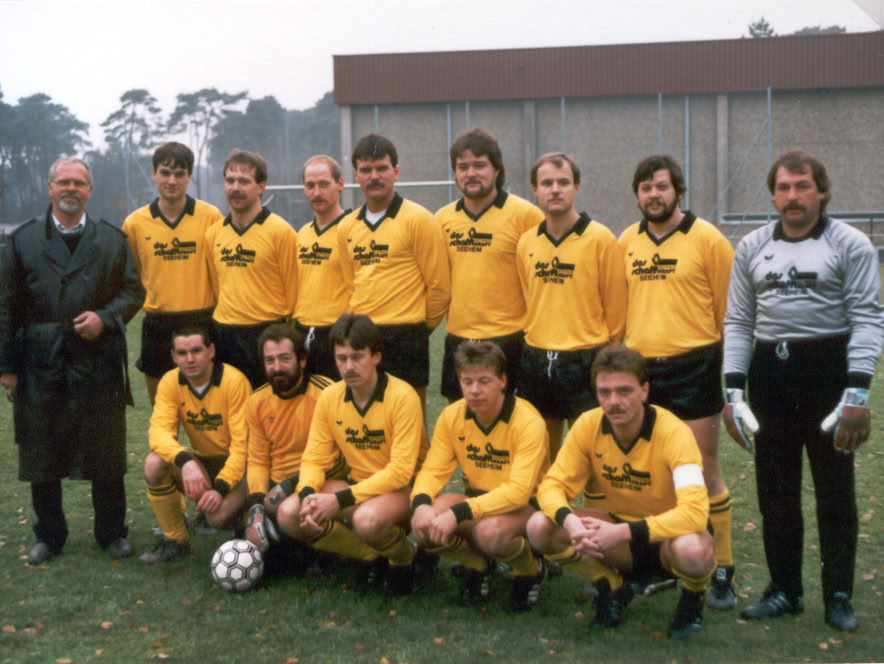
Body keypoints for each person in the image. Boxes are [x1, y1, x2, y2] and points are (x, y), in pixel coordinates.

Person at [723, 150, 883, 632]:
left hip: (828, 372)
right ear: (773, 195)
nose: (792, 196)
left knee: (835, 492)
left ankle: (838, 595)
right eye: (784, 187)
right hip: (771, 374)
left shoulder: (850, 243)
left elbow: (867, 318)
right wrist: (734, 393)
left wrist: (857, 393)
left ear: (822, 191)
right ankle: (784, 590)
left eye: (802, 186)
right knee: (776, 492)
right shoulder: (752, 246)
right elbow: (739, 321)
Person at [0, 157, 145, 564]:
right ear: (50, 187)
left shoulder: (112, 239)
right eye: (63, 181)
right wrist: (7, 366)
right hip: (40, 359)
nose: (71, 189)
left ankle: (111, 533)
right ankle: (49, 535)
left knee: (106, 448)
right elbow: (6, 305)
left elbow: (134, 292)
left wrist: (106, 318)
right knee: (41, 449)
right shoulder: (22, 240)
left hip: (97, 360)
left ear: (89, 190)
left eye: (79, 183)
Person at [527, 345, 714, 640]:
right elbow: (551, 486)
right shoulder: (588, 425)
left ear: (644, 390)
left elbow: (695, 514)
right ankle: (611, 586)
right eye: (605, 392)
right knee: (539, 525)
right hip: (620, 538)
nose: (614, 401)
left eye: (624, 391)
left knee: (692, 550)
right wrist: (570, 521)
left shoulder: (674, 432)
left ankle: (693, 597)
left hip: (670, 539)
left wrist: (623, 532)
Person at [618, 155, 736, 609]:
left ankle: (722, 566)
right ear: (637, 195)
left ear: (679, 192)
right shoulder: (626, 241)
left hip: (694, 365)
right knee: (652, 472)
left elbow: (727, 312)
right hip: (643, 370)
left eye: (661, 187)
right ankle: (658, 563)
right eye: (645, 188)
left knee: (702, 470)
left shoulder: (708, 239)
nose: (654, 195)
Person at [293, 314, 426, 596]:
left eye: (357, 357)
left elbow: (401, 472)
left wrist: (339, 500)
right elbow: (314, 458)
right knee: (290, 511)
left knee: (367, 519)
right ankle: (370, 556)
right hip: (359, 489)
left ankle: (405, 559)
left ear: (376, 356)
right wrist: (307, 494)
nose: (349, 367)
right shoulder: (330, 397)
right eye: (341, 358)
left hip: (406, 492)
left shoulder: (403, 397)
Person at [411, 341, 549, 611]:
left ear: (502, 381)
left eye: (484, 381)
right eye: (467, 381)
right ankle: (477, 565)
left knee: (489, 532)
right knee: (425, 521)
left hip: (525, 508)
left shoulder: (528, 421)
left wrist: (459, 513)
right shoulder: (452, 416)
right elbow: (432, 470)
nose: (474, 390)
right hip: (477, 500)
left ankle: (530, 569)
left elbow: (519, 491)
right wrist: (420, 503)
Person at [516, 152, 627, 459]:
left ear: (576, 187)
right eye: (547, 183)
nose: (555, 189)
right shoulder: (526, 242)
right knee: (540, 456)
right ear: (535, 190)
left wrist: (602, 356)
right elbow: (529, 297)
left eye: (563, 182)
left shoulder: (601, 239)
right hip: (537, 358)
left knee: (591, 456)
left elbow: (616, 310)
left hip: (586, 358)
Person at [337, 134, 450, 412]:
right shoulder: (347, 226)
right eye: (366, 169)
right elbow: (351, 284)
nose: (374, 176)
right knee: (367, 418)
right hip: (363, 337)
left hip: (407, 336)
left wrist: (418, 328)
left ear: (396, 172)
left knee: (410, 418)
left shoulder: (419, 219)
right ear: (356, 175)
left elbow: (439, 287)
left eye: (381, 168)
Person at [436, 128, 543, 403]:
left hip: (509, 339)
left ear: (496, 169)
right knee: (462, 421)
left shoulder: (526, 216)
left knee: (512, 421)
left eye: (480, 165)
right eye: (463, 167)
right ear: (454, 173)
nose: (471, 173)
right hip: (459, 338)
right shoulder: (442, 220)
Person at [138, 326, 251, 564]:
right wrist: (186, 461)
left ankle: (248, 520)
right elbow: (158, 432)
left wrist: (220, 488)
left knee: (217, 518)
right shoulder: (170, 381)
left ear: (211, 351)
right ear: (173, 356)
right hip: (203, 463)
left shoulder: (234, 381)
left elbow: (243, 447)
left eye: (196, 351)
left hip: (243, 469)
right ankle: (175, 540)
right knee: (154, 463)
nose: (189, 359)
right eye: (182, 353)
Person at [122, 142, 223, 405]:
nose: (172, 181)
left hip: (202, 320)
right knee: (162, 409)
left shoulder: (211, 216)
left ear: (189, 176)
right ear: (154, 173)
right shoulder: (135, 223)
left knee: (207, 408)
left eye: (179, 174)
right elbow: (130, 278)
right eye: (165, 173)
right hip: (158, 324)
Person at [243, 323, 343, 556]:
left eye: (285, 358)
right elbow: (257, 460)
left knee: (289, 520)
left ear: (302, 360)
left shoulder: (327, 392)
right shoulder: (256, 401)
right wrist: (256, 506)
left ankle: (328, 549)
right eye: (270, 360)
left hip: (321, 482)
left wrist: (290, 485)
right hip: (275, 490)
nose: (277, 367)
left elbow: (343, 458)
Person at [206, 149, 299, 388]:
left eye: (244, 181)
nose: (236, 187)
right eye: (230, 180)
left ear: (261, 186)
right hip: (225, 334)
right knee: (231, 405)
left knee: (268, 405)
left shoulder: (282, 232)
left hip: (266, 334)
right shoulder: (213, 234)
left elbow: (294, 294)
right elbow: (218, 288)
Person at [293, 155, 351, 380]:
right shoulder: (302, 234)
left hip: (338, 334)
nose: (317, 192)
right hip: (303, 332)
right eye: (310, 186)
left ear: (340, 184)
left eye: (324, 184)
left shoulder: (354, 229)